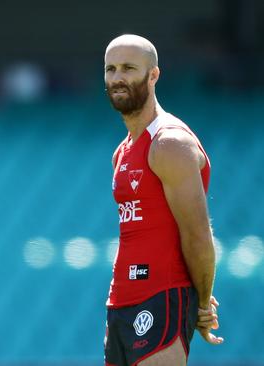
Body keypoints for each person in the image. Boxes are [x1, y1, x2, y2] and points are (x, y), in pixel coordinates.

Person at [103, 34, 223, 365]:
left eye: (128, 68)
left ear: (153, 75)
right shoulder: (123, 150)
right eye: (111, 69)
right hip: (121, 304)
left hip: (161, 298)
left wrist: (202, 303)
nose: (118, 78)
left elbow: (197, 233)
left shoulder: (168, 143)